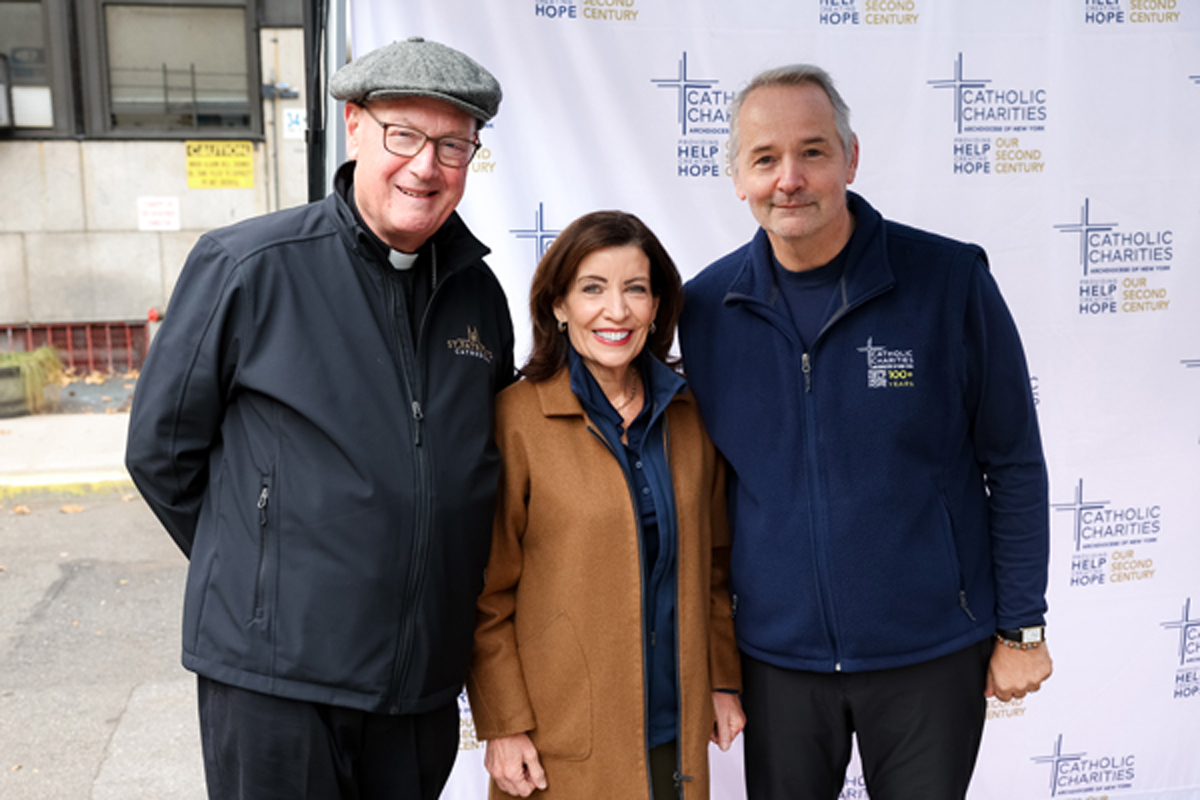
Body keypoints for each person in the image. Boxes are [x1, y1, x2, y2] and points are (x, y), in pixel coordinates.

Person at [125, 37, 514, 800]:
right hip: (279, 685)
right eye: (404, 134)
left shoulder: (479, 298)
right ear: (354, 126)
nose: (426, 166)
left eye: (453, 144)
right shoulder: (251, 267)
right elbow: (161, 454)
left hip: (418, 691)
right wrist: (261, 575)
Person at [677, 65, 1053, 800]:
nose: (790, 178)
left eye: (813, 151)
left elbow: (1012, 462)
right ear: (736, 178)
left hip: (931, 653)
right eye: (765, 158)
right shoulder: (705, 310)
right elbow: (702, 497)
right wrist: (719, 661)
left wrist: (1022, 629)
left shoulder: (949, 281)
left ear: (851, 158)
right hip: (778, 663)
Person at [466, 211, 744, 799]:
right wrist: (504, 723)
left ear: (657, 306)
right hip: (558, 739)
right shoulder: (515, 420)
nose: (616, 311)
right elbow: (484, 595)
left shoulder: (691, 417)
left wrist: (722, 678)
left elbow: (716, 567)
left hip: (677, 729)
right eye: (593, 288)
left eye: (635, 289)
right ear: (559, 306)